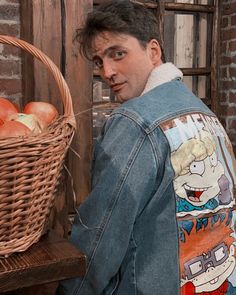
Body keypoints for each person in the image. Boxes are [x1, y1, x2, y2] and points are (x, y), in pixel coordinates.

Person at [57, 1, 236, 294]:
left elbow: (100, 236)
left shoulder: (134, 122)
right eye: (99, 61)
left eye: (118, 54)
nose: (107, 71)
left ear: (153, 52)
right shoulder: (206, 115)